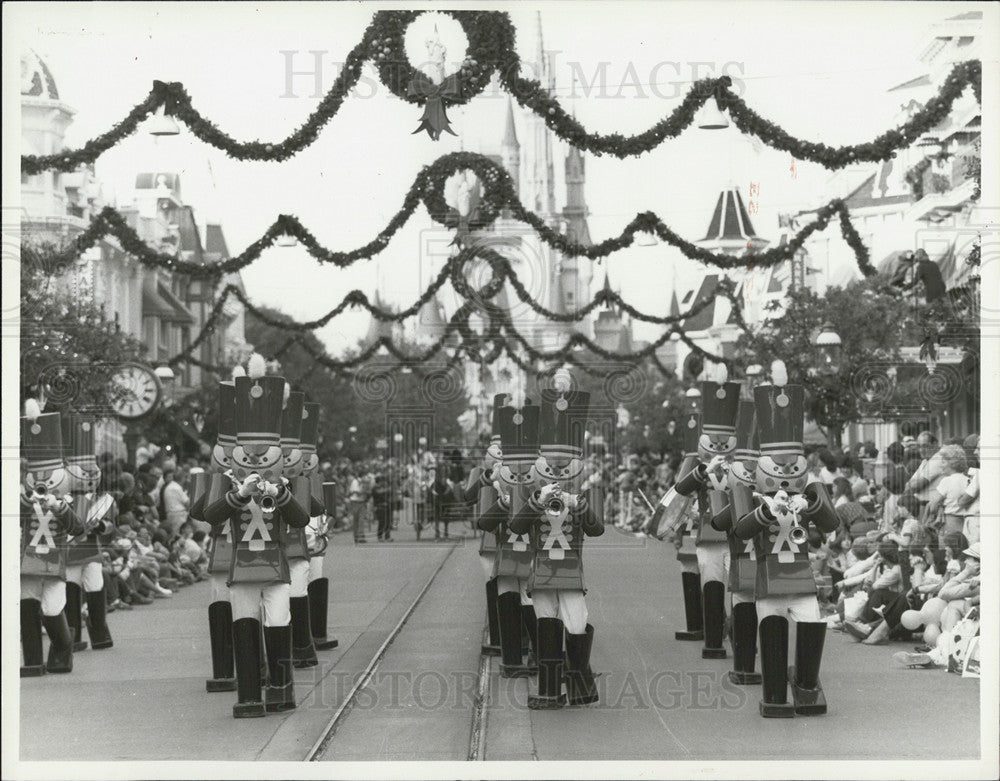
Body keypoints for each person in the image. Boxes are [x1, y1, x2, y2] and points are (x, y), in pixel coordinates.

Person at [203, 356, 311, 718]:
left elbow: (301, 517)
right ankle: (249, 695)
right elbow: (209, 514)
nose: (254, 463)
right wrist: (239, 495)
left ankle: (280, 689)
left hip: (276, 565)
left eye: (263, 457)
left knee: (279, 620)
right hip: (241, 565)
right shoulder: (227, 482)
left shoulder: (286, 482)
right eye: (248, 457)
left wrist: (279, 493)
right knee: (245, 625)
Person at [733, 361, 840, 718]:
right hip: (767, 576)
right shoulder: (749, 492)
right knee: (773, 629)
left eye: (792, 466)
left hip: (800, 576)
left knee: (812, 624)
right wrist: (767, 510)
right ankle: (775, 692)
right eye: (777, 467)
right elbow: (739, 529)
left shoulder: (809, 487)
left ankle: (806, 684)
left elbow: (830, 523)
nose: (784, 473)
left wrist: (810, 499)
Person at [510, 385, 604, 709]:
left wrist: (577, 505)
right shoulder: (528, 490)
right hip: (542, 569)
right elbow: (516, 527)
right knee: (546, 623)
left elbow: (597, 529)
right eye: (551, 466)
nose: (557, 472)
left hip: (571, 570)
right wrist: (537, 501)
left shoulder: (586, 491)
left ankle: (580, 684)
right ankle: (549, 691)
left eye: (564, 467)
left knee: (576, 623)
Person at [674, 367, 742, 660]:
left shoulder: (740, 466)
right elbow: (681, 488)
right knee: (712, 584)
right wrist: (704, 470)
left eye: (722, 443)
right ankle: (714, 641)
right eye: (712, 443)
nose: (718, 447)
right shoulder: (698, 466)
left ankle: (741, 638)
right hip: (708, 534)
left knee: (741, 589)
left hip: (737, 535)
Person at [20, 401, 86, 676]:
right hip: (28, 562)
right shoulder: (23, 499)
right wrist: (23, 501)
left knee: (51, 610)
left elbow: (78, 529)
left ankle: (62, 647)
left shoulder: (64, 502)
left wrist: (61, 507)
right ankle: (33, 662)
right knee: (27, 608)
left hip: (54, 561)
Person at [924, 444, 969, 544]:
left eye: (943, 462)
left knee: (948, 550)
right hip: (965, 522)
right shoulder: (968, 480)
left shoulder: (947, 481)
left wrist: (939, 509)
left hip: (949, 522)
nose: (941, 465)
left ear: (952, 463)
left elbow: (933, 505)